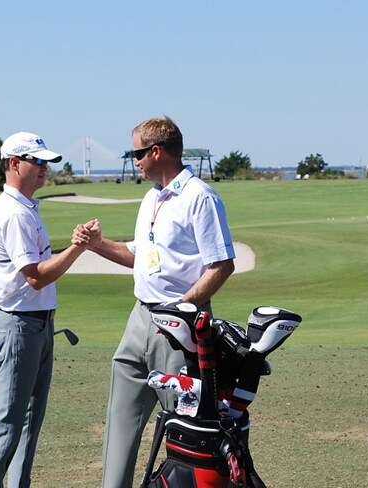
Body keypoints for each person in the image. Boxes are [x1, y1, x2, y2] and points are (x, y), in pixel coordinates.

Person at [79, 116, 236, 487]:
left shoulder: (200, 197)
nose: (133, 160)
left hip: (181, 328)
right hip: (139, 319)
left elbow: (221, 265)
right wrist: (97, 245)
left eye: (136, 153)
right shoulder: (152, 196)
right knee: (120, 423)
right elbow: (139, 255)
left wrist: (180, 310)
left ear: (156, 152)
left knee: (186, 431)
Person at [0, 131, 100, 488]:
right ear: (14, 164)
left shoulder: (26, 209)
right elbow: (35, 277)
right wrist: (78, 247)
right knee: (8, 421)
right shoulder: (14, 214)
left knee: (30, 422)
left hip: (38, 326)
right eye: (37, 161)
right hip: (19, 327)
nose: (44, 168)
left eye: (45, 162)